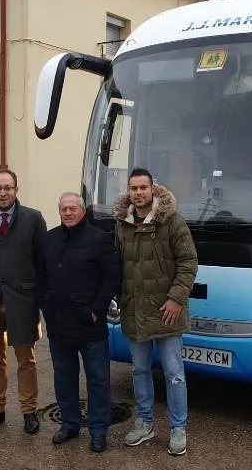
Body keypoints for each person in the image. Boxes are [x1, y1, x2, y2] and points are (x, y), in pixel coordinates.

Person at [112, 167, 198, 456]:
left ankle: (178, 427)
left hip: (167, 312)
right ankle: (145, 423)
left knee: (174, 372)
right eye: (134, 188)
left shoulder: (172, 222)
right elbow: (117, 266)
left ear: (153, 189)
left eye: (143, 188)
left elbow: (188, 263)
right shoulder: (121, 224)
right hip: (134, 311)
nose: (138, 193)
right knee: (139, 371)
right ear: (129, 191)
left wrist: (176, 299)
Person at [41, 192, 122, 453]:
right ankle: (69, 424)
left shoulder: (99, 239)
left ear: (82, 211)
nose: (67, 212)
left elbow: (112, 277)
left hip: (90, 323)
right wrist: (46, 305)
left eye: (72, 208)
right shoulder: (49, 239)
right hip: (58, 322)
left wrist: (96, 309)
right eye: (63, 208)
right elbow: (40, 276)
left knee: (98, 379)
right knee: (64, 377)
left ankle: (98, 431)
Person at [0, 168, 47, 434]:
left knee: (26, 360)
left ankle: (29, 411)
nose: (3, 193)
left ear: (16, 189)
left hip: (23, 299)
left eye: (7, 188)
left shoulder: (34, 219)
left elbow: (41, 259)